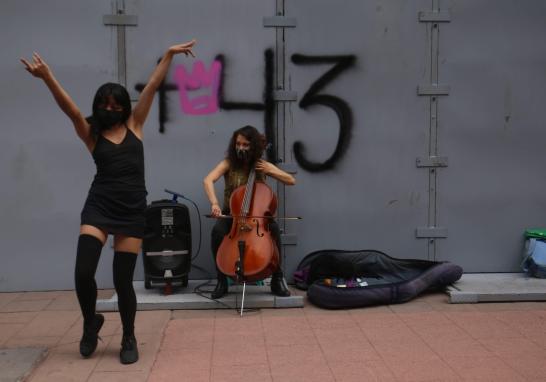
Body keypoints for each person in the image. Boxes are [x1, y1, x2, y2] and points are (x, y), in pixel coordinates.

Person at [20, 39, 196, 364]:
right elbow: (70, 108)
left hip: (131, 211)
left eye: (117, 105)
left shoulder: (136, 125)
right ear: (98, 104)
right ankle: (91, 322)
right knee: (82, 272)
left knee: (122, 280)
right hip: (99, 205)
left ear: (125, 108)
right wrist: (47, 77)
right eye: (105, 104)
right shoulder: (91, 133)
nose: (111, 109)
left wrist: (169, 55)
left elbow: (153, 87)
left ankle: (128, 335)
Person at [203, 125, 296, 299]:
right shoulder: (229, 163)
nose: (241, 148)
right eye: (238, 144)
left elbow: (291, 180)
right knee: (217, 232)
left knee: (274, 231)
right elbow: (208, 180)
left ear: (253, 147)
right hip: (233, 214)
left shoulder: (262, 165)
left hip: (257, 216)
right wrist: (214, 203)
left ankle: (277, 277)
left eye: (245, 145)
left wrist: (270, 170)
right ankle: (221, 279)